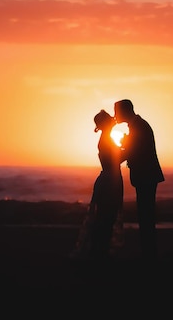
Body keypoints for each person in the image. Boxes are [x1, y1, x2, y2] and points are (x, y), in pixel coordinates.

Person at [114, 99, 164, 261]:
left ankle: (149, 255)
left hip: (146, 176)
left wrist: (114, 158)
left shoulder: (139, 127)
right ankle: (149, 252)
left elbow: (134, 152)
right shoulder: (138, 126)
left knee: (146, 214)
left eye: (117, 112)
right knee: (145, 214)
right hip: (146, 176)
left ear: (124, 111)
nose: (115, 116)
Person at [70, 109, 124, 261]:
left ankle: (99, 251)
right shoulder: (106, 140)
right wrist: (130, 150)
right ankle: (99, 252)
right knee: (106, 216)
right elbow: (115, 160)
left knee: (105, 216)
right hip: (110, 181)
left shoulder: (107, 138)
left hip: (109, 178)